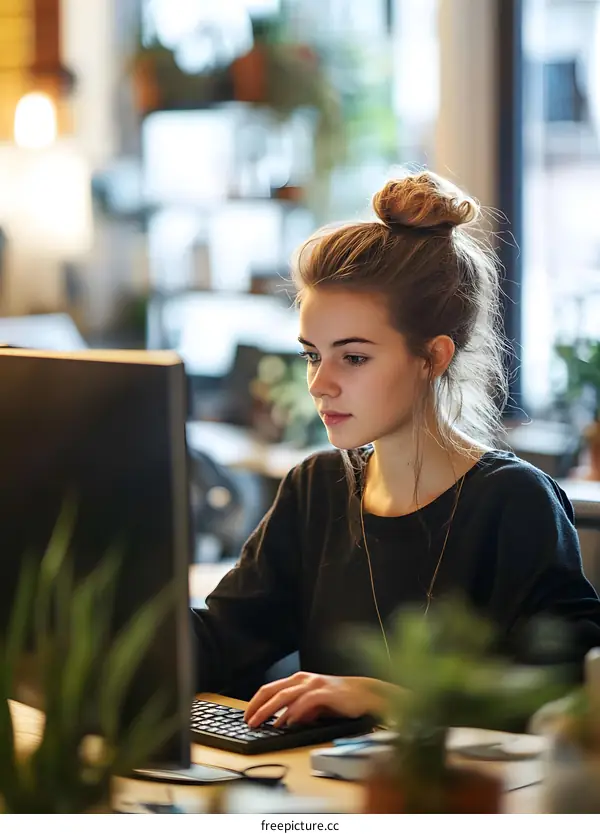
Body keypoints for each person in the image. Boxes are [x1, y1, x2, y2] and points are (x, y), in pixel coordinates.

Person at [191, 170, 600, 729]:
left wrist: (389, 699)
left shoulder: (515, 503)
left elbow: (570, 700)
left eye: (352, 358)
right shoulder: (316, 489)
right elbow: (219, 643)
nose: (319, 383)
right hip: (330, 801)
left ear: (433, 357)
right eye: (313, 355)